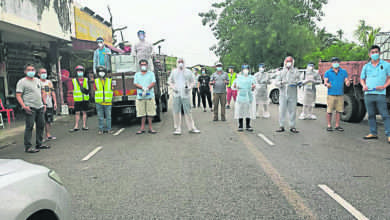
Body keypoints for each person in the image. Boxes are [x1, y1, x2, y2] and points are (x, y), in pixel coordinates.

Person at [16, 64, 50, 153]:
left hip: (40, 106)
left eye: (32, 69)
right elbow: (18, 95)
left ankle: (39, 143)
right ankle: (28, 147)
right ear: (25, 72)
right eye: (29, 70)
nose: (31, 71)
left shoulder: (37, 81)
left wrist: (44, 103)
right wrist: (24, 106)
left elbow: (42, 92)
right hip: (30, 107)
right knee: (30, 127)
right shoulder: (22, 82)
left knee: (41, 125)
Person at [360, 45, 390, 142]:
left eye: (376, 52)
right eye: (372, 52)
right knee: (371, 114)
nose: (375, 54)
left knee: (384, 115)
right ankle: (373, 133)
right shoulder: (366, 66)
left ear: (380, 53)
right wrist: (363, 85)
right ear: (369, 54)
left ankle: (389, 134)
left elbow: (389, 78)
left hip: (380, 94)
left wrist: (384, 86)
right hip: (368, 94)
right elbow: (362, 78)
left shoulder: (386, 65)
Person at [168, 58, 200, 135]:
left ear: (184, 63)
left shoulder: (188, 72)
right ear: (177, 63)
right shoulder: (174, 72)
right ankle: (177, 128)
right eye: (179, 62)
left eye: (182, 62)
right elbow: (170, 81)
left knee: (188, 111)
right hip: (176, 94)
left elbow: (193, 81)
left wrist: (189, 88)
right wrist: (173, 87)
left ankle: (191, 128)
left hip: (185, 94)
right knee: (176, 111)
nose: (180, 63)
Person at [275, 56, 301, 133]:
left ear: (293, 62)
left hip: (292, 93)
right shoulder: (281, 72)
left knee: (292, 110)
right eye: (287, 61)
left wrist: (298, 83)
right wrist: (281, 83)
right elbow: (276, 82)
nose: (289, 63)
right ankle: (281, 126)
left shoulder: (296, 71)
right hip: (283, 94)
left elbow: (299, 81)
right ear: (284, 62)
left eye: (290, 61)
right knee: (282, 110)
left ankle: (292, 126)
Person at [324, 57, 350, 132]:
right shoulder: (328, 72)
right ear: (331, 63)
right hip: (331, 94)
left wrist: (348, 83)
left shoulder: (343, 72)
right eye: (334, 62)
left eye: (337, 62)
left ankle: (337, 125)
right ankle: (329, 125)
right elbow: (325, 82)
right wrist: (327, 84)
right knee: (329, 110)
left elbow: (346, 81)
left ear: (339, 63)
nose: (335, 63)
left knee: (339, 111)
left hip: (340, 94)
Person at [134, 59, 157, 134]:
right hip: (140, 97)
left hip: (149, 96)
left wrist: (147, 88)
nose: (143, 66)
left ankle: (150, 128)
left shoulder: (151, 74)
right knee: (142, 113)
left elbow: (153, 82)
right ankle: (142, 128)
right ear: (140, 66)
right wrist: (142, 88)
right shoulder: (137, 74)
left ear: (147, 65)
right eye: (142, 64)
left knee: (150, 113)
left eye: (145, 64)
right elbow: (135, 83)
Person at [234, 65, 256, 131]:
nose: (245, 70)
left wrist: (253, 87)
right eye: (244, 69)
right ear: (242, 70)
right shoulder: (239, 78)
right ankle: (240, 125)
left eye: (247, 69)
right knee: (240, 111)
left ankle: (248, 125)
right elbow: (233, 86)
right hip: (241, 96)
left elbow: (254, 86)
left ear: (249, 70)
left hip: (249, 97)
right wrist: (236, 86)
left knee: (248, 111)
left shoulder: (251, 78)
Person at [38, 68, 57, 141]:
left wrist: (55, 102)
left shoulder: (49, 82)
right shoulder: (37, 82)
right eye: (42, 72)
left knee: (48, 120)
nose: (44, 74)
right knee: (41, 121)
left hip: (49, 104)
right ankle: (40, 137)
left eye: (45, 72)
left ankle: (48, 134)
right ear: (39, 74)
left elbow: (52, 92)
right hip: (41, 104)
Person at [69, 65, 90, 132]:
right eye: (78, 71)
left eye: (81, 71)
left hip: (85, 98)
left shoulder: (86, 79)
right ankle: (76, 126)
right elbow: (72, 89)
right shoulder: (74, 80)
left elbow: (89, 89)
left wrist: (85, 90)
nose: (79, 72)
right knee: (77, 112)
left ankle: (84, 125)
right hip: (77, 99)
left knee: (84, 112)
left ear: (83, 72)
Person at [94, 66, 114, 134]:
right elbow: (94, 90)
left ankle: (109, 129)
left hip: (108, 102)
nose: (101, 73)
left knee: (108, 117)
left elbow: (112, 89)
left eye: (102, 72)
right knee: (100, 117)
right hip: (99, 102)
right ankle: (101, 129)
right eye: (100, 72)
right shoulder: (96, 81)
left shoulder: (109, 80)